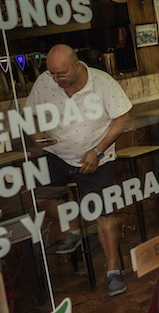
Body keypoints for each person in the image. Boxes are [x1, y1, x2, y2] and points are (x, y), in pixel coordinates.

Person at [27, 44, 132, 297]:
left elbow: (123, 118)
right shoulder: (45, 82)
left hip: (97, 156)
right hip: (57, 155)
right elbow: (29, 113)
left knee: (103, 213)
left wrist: (98, 150)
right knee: (39, 197)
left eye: (60, 74)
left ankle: (113, 272)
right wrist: (38, 135)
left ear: (77, 66)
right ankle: (73, 229)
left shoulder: (102, 83)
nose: (55, 79)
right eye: (52, 73)